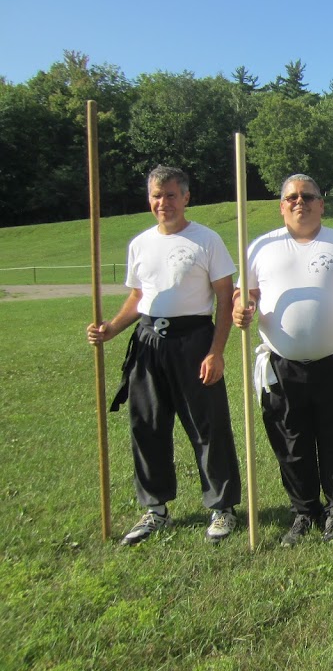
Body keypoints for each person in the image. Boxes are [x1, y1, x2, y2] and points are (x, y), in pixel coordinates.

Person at [86, 165, 242, 545]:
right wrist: (111, 328)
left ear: (186, 197)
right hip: (148, 341)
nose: (163, 203)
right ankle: (154, 508)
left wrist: (216, 351)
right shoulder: (140, 244)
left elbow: (225, 298)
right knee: (147, 426)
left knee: (207, 426)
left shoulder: (206, 240)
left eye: (171, 195)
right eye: (156, 195)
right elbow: (139, 298)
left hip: (195, 340)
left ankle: (222, 508)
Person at [233, 174, 333, 547]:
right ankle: (303, 510)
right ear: (281, 205)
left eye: (308, 196)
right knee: (290, 440)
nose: (301, 202)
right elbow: (244, 296)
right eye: (292, 197)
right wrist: (241, 309)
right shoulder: (259, 248)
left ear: (321, 203)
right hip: (281, 365)